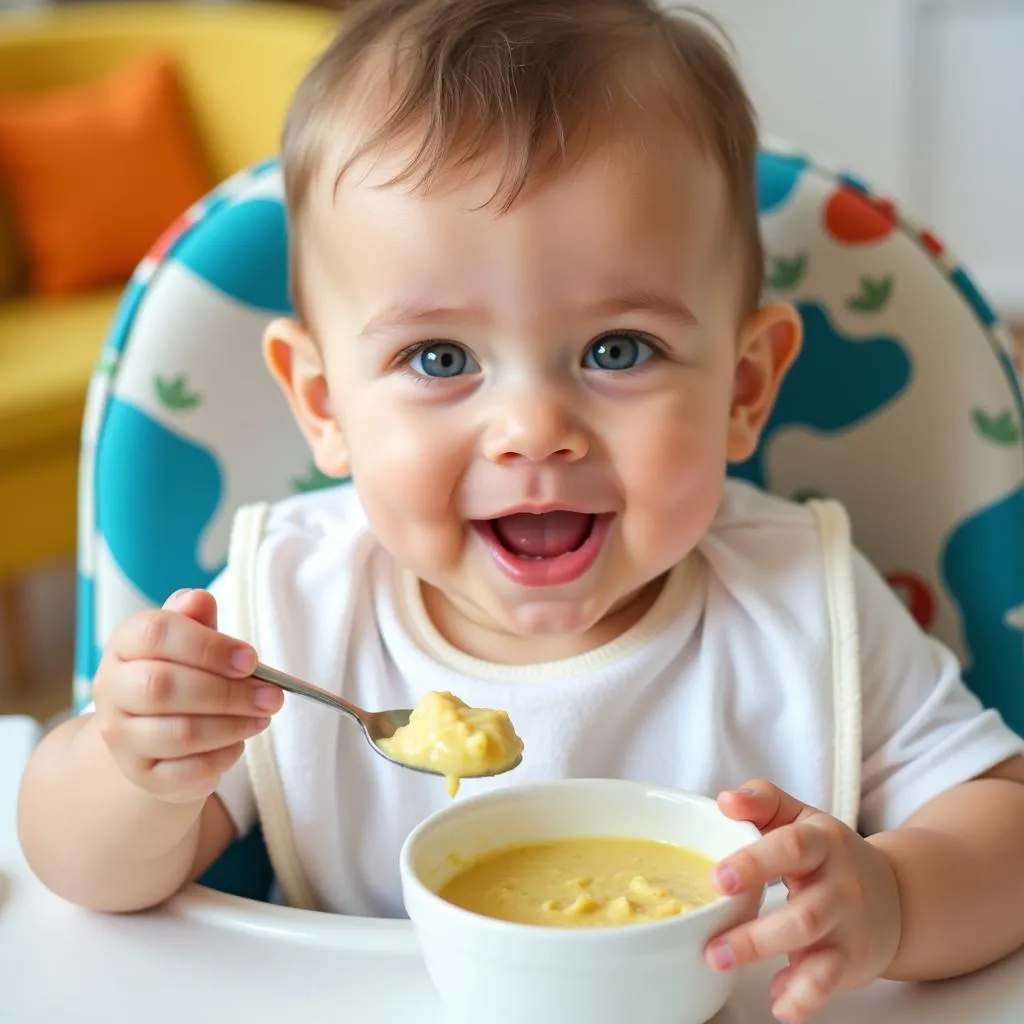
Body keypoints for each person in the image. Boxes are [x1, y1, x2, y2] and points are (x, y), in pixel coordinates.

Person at [18, 2, 1024, 1020]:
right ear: (325, 405)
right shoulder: (288, 615)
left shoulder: (801, 600)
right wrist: (133, 765)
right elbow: (85, 872)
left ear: (743, 388)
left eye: (616, 349)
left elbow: (1007, 830)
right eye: (439, 358)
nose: (532, 430)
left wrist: (892, 899)